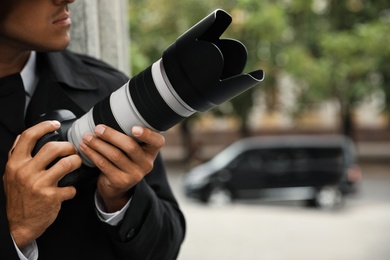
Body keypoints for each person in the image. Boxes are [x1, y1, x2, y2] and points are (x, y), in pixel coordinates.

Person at [0, 0, 186, 259]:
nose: (68, 0)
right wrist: (17, 231)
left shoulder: (109, 88)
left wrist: (123, 199)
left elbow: (166, 249)